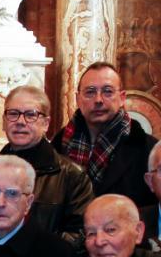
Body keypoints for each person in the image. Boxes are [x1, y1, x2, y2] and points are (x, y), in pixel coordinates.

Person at [0, 85, 90, 245]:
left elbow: (81, 233)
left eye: (30, 115)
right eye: (13, 114)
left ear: (46, 123)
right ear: (4, 121)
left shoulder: (71, 175)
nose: (20, 122)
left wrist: (38, 252)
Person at [56, 62, 155, 206]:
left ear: (122, 98)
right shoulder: (59, 145)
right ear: (78, 99)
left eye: (107, 91)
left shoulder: (147, 148)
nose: (98, 100)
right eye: (90, 92)